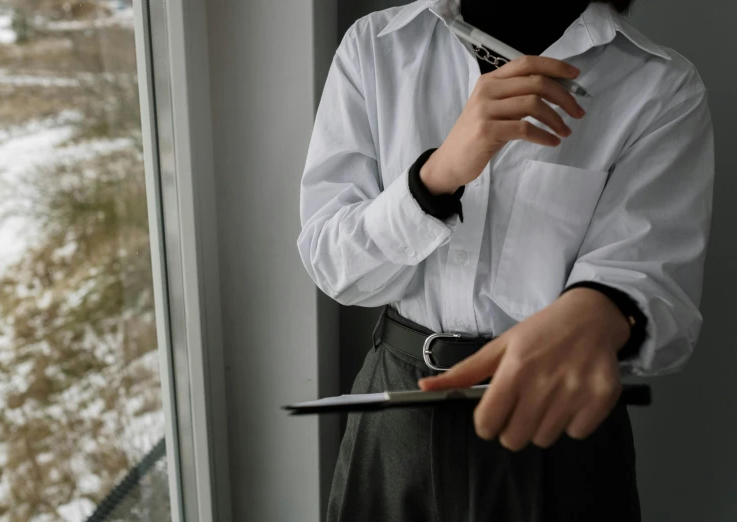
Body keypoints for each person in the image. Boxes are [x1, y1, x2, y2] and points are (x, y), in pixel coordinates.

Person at [297, 0, 714, 520]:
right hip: (396, 410)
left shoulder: (659, 85)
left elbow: (659, 293)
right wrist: (436, 176)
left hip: (558, 424)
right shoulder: (377, 46)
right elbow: (334, 266)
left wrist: (600, 313)